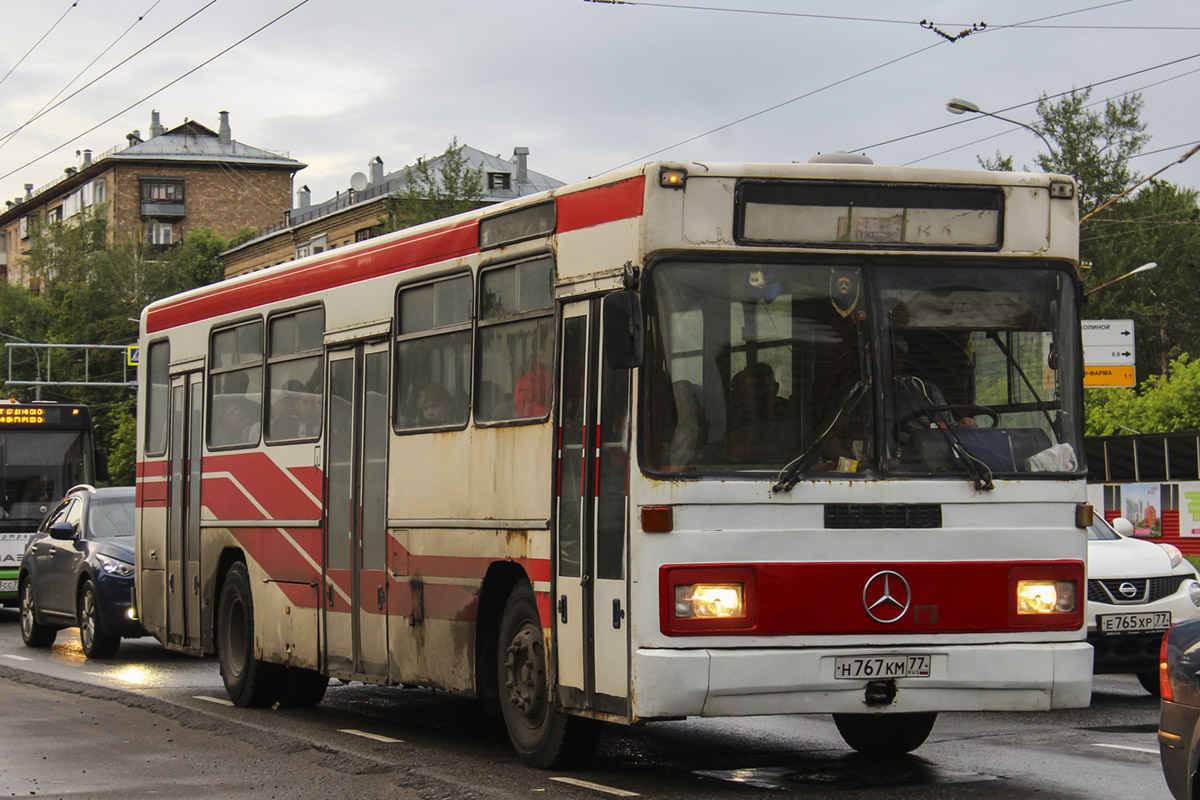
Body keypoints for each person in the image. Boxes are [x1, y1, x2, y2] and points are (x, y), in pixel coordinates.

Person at [514, 325, 553, 417]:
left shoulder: (568, 376)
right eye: (553, 343)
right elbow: (528, 408)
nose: (558, 346)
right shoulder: (529, 381)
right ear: (540, 352)